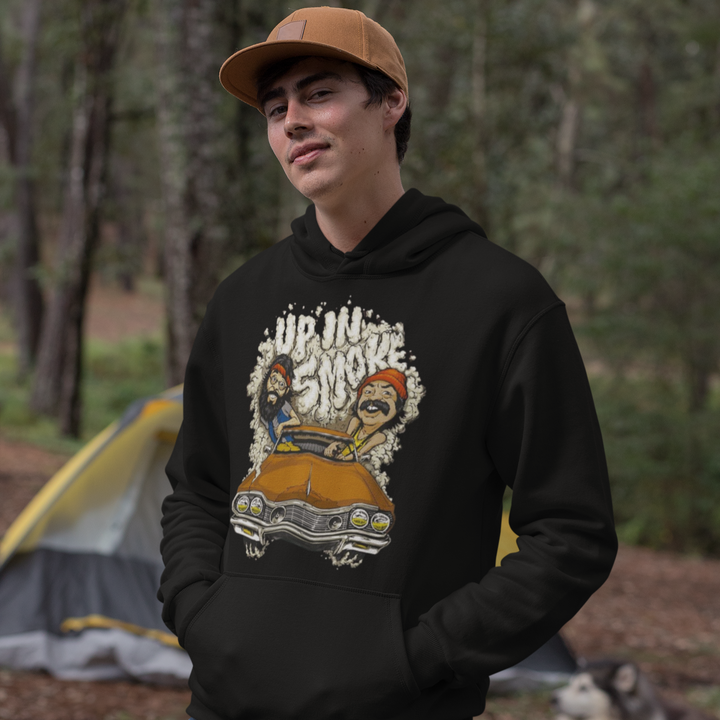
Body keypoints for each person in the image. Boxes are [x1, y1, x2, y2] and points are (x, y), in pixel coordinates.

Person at [158, 7, 618, 720]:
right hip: (226, 705)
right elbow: (198, 488)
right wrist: (200, 615)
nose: (293, 122)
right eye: (276, 109)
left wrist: (420, 656)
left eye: (319, 94)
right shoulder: (243, 299)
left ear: (391, 102)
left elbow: (572, 534)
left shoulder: (499, 301)